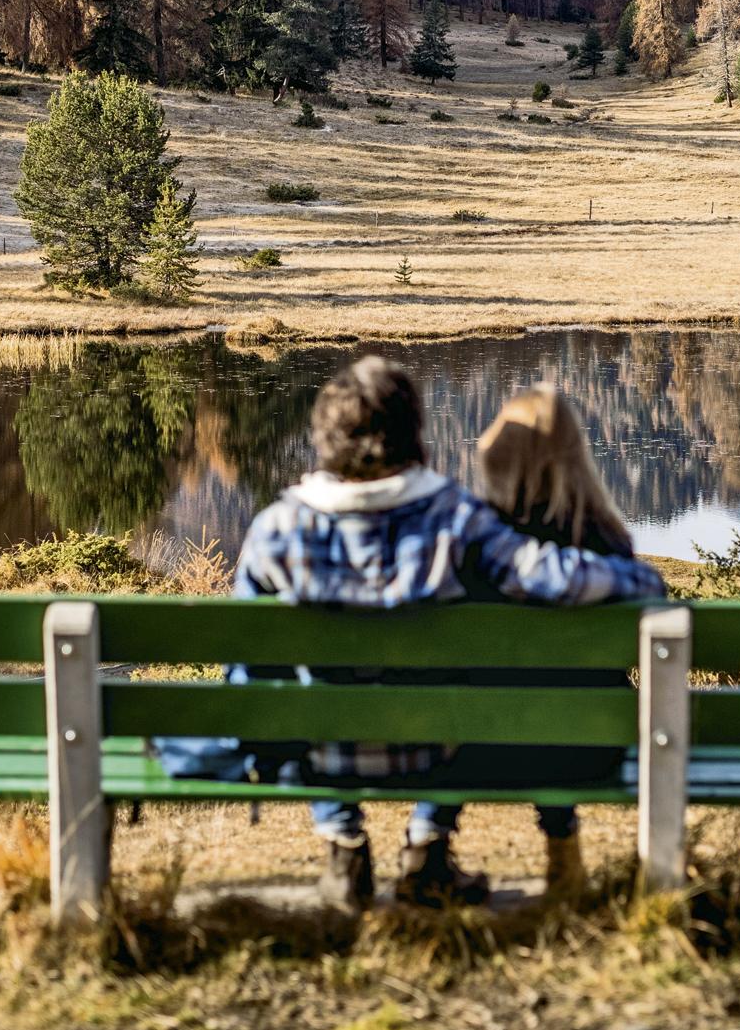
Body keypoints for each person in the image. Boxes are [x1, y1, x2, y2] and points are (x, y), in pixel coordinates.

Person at [235, 356, 666, 911]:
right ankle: (427, 852)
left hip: (320, 754)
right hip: (436, 749)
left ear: (324, 437)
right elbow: (546, 575)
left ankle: (344, 847)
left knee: (297, 701)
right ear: (412, 433)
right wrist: (642, 579)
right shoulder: (453, 520)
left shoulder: (274, 530)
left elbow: (246, 666)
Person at [471, 384, 636, 899]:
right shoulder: (607, 544)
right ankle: (563, 856)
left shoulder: (479, 546)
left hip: (474, 743)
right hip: (593, 746)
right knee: (559, 702)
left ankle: (426, 848)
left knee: (517, 700)